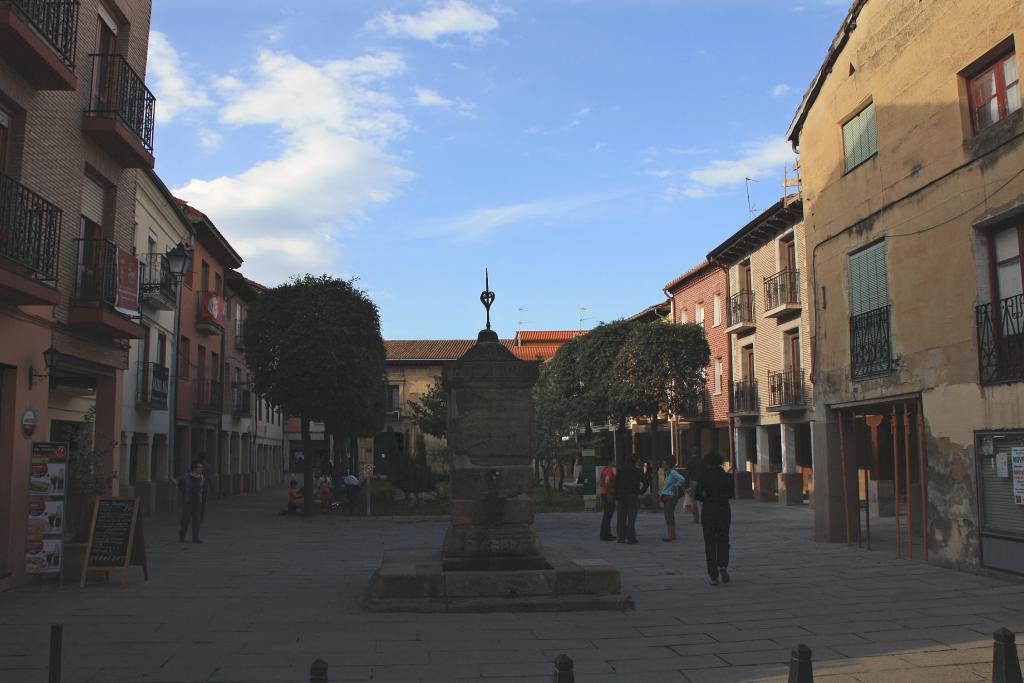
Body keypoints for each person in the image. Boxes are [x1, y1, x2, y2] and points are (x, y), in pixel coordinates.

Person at [695, 452, 734, 585]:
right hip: (723, 510)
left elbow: (697, 495)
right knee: (723, 538)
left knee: (710, 542)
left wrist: (706, 499)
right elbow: (731, 494)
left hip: (709, 510)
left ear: (707, 463)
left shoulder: (704, 477)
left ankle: (713, 576)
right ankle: (722, 565)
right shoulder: (727, 476)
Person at [615, 454, 643, 544]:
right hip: (632, 495)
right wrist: (641, 491)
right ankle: (631, 537)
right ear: (635, 461)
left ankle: (621, 537)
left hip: (622, 496)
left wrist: (616, 495)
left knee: (621, 517)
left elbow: (616, 483)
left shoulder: (620, 469)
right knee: (631, 517)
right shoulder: (637, 470)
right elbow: (646, 481)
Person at [177, 461, 207, 543]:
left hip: (198, 501)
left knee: (196, 520)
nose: (201, 469)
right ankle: (182, 536)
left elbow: (204, 488)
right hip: (188, 500)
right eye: (199, 467)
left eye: (201, 467)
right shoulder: (186, 476)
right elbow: (179, 483)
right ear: (194, 468)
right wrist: (184, 492)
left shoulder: (202, 477)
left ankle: (195, 537)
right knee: (185, 519)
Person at [659, 458, 687, 542]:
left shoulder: (673, 472)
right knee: (668, 515)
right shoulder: (667, 473)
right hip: (666, 496)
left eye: (664, 463)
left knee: (668, 515)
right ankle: (672, 535)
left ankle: (670, 535)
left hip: (671, 497)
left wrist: (675, 486)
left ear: (668, 464)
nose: (663, 465)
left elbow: (682, 479)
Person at [598, 456, 617, 541]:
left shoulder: (604, 470)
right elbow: (607, 481)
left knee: (607, 515)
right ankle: (604, 535)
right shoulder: (609, 470)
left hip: (604, 493)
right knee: (608, 515)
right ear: (610, 462)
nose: (615, 462)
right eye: (613, 460)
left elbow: (601, 481)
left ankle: (607, 534)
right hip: (608, 494)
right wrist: (609, 493)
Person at [684, 451, 704, 523]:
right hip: (701, 482)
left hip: (692, 482)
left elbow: (687, 474)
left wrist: (686, 485)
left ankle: (696, 518)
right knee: (702, 501)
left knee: (693, 501)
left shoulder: (689, 462)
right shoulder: (702, 462)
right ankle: (704, 517)